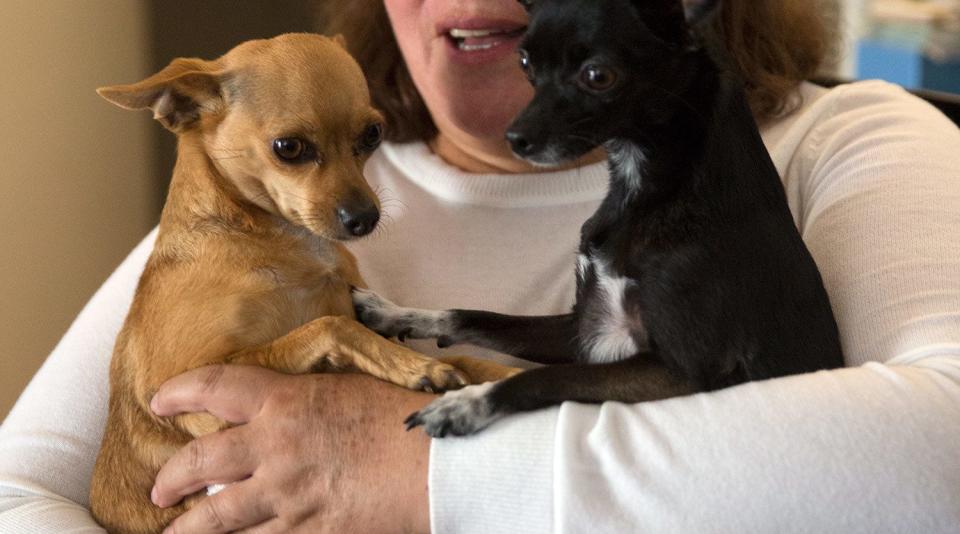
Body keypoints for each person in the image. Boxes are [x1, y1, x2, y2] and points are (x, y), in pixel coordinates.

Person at [2, 0, 959, 531]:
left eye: (359, 139)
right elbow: (20, 494)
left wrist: (411, 470)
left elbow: (944, 445)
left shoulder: (841, 145)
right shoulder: (272, 214)